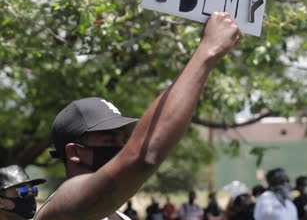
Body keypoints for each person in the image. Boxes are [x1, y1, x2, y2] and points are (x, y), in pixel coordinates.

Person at [33, 12, 242, 220]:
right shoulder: (62, 208)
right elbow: (144, 156)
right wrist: (208, 51)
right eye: (109, 140)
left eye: (123, 139)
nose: (122, 147)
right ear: (74, 152)